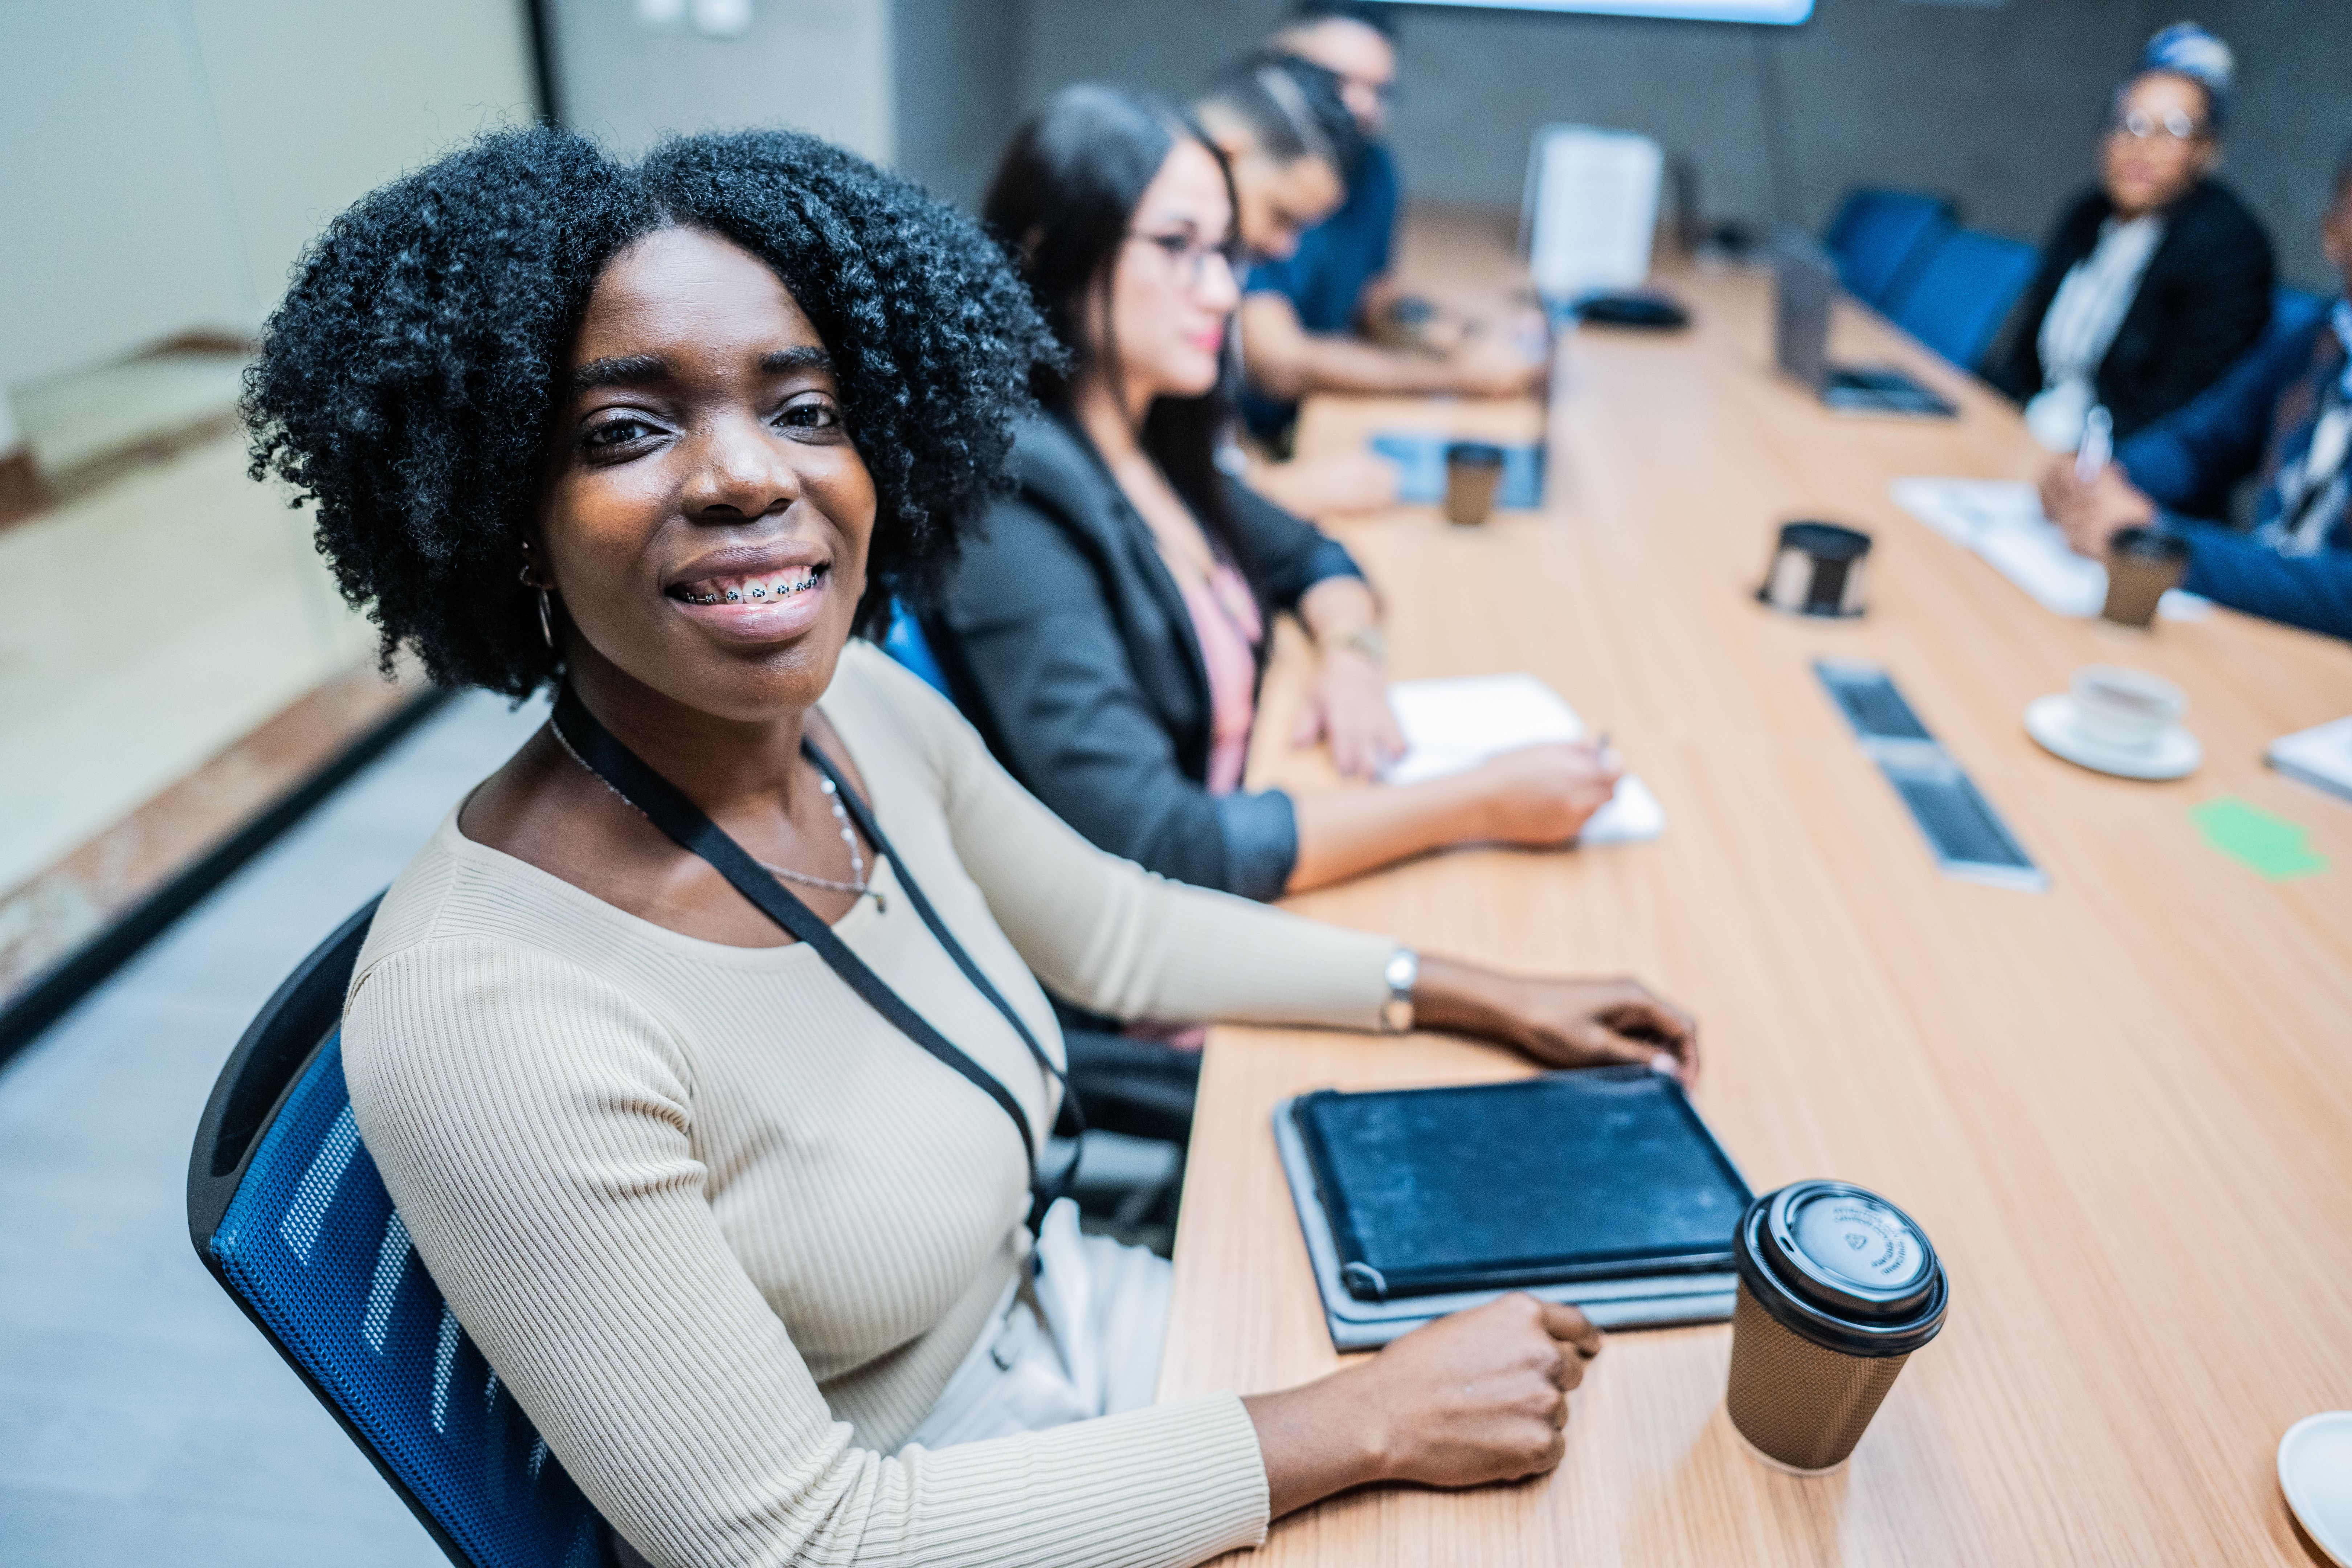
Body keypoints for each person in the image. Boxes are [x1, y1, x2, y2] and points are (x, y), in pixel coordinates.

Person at [246, 125, 1702, 1568]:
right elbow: (804, 1546)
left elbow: (1120, 929)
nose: (753, 475)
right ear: (505, 512)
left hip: (1069, 1330)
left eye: (806, 409)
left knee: (1654, 1415)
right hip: (927, 1511)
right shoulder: (489, 1012)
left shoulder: (857, 710)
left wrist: (1472, 990)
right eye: (628, 430)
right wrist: (1368, 1423)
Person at [928, 84, 1621, 915]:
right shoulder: (1015, 498)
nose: (1221, 292)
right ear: (1052, 256)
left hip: (1237, 872)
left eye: (1223, 252)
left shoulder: (1147, 438)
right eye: (1178, 247)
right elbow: (1154, 844)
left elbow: (1311, 555)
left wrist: (1350, 656)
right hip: (1161, 954)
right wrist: (1478, 802)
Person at [2041, 144, 2352, 642]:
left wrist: (2161, 542)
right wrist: (2103, 478)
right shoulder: (2319, 338)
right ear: (2333, 234)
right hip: (2255, 630)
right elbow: (2201, 444)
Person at [1236, 3, 1545, 449]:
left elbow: (1373, 294)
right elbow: (1275, 362)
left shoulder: (1372, 168)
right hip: (1244, 441)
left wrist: (1464, 333)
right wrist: (1456, 377)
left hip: (1307, 423)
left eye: (1379, 91)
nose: (1363, 106)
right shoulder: (1256, 176)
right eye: (1340, 83)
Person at [1988, 22, 2273, 451]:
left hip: (2117, 469)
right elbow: (2024, 359)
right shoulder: (2087, 215)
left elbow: (2184, 420)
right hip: (2030, 438)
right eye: (2131, 124)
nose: (2145, 146)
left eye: (2174, 129)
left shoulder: (2230, 247)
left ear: (2207, 151)